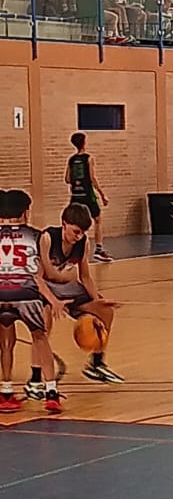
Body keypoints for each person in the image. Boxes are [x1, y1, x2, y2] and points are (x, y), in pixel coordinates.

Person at [34, 203, 122, 384]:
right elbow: (38, 279)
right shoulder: (47, 238)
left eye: (82, 232)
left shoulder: (83, 243)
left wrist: (97, 301)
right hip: (42, 287)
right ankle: (38, 374)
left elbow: (85, 277)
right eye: (76, 231)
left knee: (106, 311)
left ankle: (96, 364)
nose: (79, 236)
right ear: (64, 224)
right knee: (45, 320)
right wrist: (54, 301)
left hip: (66, 287)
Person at [0, 189, 61, 414]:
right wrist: (64, 281)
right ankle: (51, 392)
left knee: (6, 343)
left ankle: (6, 391)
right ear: (26, 212)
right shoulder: (37, 235)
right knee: (40, 339)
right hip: (27, 293)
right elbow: (46, 273)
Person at [65, 131, 112, 262]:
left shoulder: (71, 160)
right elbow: (92, 178)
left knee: (73, 222)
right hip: (87, 194)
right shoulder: (88, 158)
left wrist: (76, 181)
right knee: (98, 220)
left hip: (76, 195)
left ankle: (70, 249)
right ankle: (99, 249)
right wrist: (102, 194)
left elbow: (67, 179)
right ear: (84, 143)